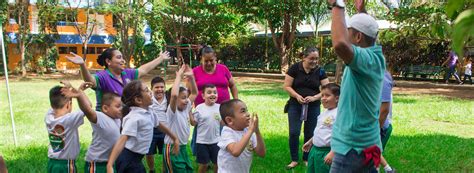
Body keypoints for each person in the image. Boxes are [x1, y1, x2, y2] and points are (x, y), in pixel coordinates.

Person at [327, 0, 386, 172]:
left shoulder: (367, 60)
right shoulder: (374, 57)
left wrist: (338, 5)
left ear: (358, 37)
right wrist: (361, 12)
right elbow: (367, 32)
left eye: (348, 33)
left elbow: (340, 45)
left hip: (352, 148)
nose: (344, 35)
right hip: (367, 143)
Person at [106, 80, 179, 173]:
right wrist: (110, 165)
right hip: (128, 159)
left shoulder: (149, 112)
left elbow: (159, 125)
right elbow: (122, 140)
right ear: (138, 100)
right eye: (147, 90)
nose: (150, 92)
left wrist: (174, 138)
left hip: (136, 159)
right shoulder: (134, 118)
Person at [66, 48, 171, 110]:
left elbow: (143, 70)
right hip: (107, 123)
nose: (123, 60)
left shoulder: (126, 74)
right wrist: (82, 65)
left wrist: (161, 58)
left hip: (125, 121)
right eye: (118, 57)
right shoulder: (103, 76)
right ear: (108, 61)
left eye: (122, 57)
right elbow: (90, 81)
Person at [283, 47, 329, 169]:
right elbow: (287, 86)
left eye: (317, 59)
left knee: (310, 132)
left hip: (313, 106)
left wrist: (315, 97)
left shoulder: (320, 71)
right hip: (295, 105)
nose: (314, 61)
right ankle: (294, 159)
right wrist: (297, 96)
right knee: (294, 132)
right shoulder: (294, 68)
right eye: (311, 59)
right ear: (304, 57)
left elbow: (327, 89)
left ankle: (306, 158)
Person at [61, 82, 122, 173]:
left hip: (110, 163)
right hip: (96, 164)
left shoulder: (117, 119)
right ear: (105, 108)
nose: (121, 108)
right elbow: (87, 109)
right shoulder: (100, 118)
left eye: (122, 106)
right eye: (118, 106)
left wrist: (80, 92)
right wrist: (79, 96)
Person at [45, 81, 92, 173]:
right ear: (68, 105)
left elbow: (55, 103)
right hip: (66, 165)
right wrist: (78, 92)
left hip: (52, 163)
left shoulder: (48, 117)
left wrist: (76, 92)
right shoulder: (69, 120)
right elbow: (88, 107)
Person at [163, 64, 198, 173]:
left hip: (182, 147)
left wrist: (191, 78)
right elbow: (174, 95)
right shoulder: (172, 112)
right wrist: (178, 76)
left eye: (186, 97)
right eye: (183, 98)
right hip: (172, 148)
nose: (187, 100)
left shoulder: (186, 107)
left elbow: (195, 93)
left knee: (189, 170)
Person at [217, 99, 266, 173]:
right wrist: (250, 131)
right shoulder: (227, 132)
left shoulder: (248, 131)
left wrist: (257, 131)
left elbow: (261, 153)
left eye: (247, 110)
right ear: (230, 120)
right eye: (243, 111)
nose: (248, 114)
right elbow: (235, 151)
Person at [302, 83, 340, 173]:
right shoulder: (324, 113)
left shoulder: (339, 114)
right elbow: (320, 130)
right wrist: (311, 141)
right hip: (315, 151)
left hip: (327, 152)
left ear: (337, 98)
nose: (323, 98)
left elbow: (342, 136)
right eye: (322, 95)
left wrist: (332, 153)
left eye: (327, 95)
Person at [190, 84, 222, 173]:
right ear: (203, 96)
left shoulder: (219, 107)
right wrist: (189, 111)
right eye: (209, 92)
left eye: (215, 92)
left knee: (218, 163)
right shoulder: (199, 108)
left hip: (216, 141)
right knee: (204, 165)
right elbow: (193, 123)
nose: (213, 94)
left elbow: (223, 123)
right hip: (202, 142)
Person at [146, 76, 168, 173]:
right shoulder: (148, 100)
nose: (160, 89)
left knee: (165, 153)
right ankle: (152, 169)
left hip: (165, 131)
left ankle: (165, 169)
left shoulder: (168, 99)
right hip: (151, 130)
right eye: (157, 87)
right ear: (152, 89)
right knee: (149, 152)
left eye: (162, 87)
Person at [378, 71, 395, 173]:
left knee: (370, 156)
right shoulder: (383, 74)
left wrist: (375, 129)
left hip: (380, 127)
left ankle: (388, 170)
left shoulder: (382, 78)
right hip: (379, 125)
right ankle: (388, 169)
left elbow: (384, 110)